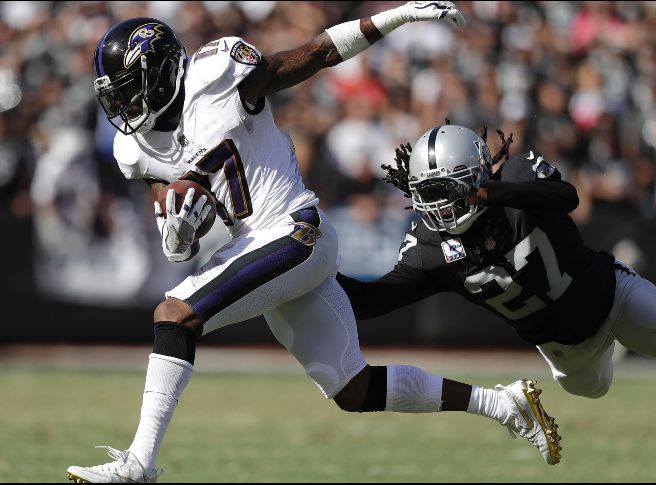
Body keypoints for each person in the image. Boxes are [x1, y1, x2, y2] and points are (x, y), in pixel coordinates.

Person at [66, 5, 563, 483]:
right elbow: (175, 239)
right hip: (257, 243)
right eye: (117, 97)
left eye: (133, 91)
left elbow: (319, 52)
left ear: (162, 73)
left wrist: (400, 15)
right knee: (352, 387)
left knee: (174, 315)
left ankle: (139, 464)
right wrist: (177, 230)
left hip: (295, 229)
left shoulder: (218, 74)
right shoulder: (132, 148)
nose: (126, 108)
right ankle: (502, 404)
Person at [337, 123, 656, 484]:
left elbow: (565, 196)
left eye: (446, 189)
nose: (438, 205)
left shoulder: (518, 175)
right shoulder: (429, 247)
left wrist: (493, 195)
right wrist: (311, 276)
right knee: (595, 390)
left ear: (476, 177)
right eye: (427, 192)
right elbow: (372, 301)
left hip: (615, 295)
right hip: (565, 351)